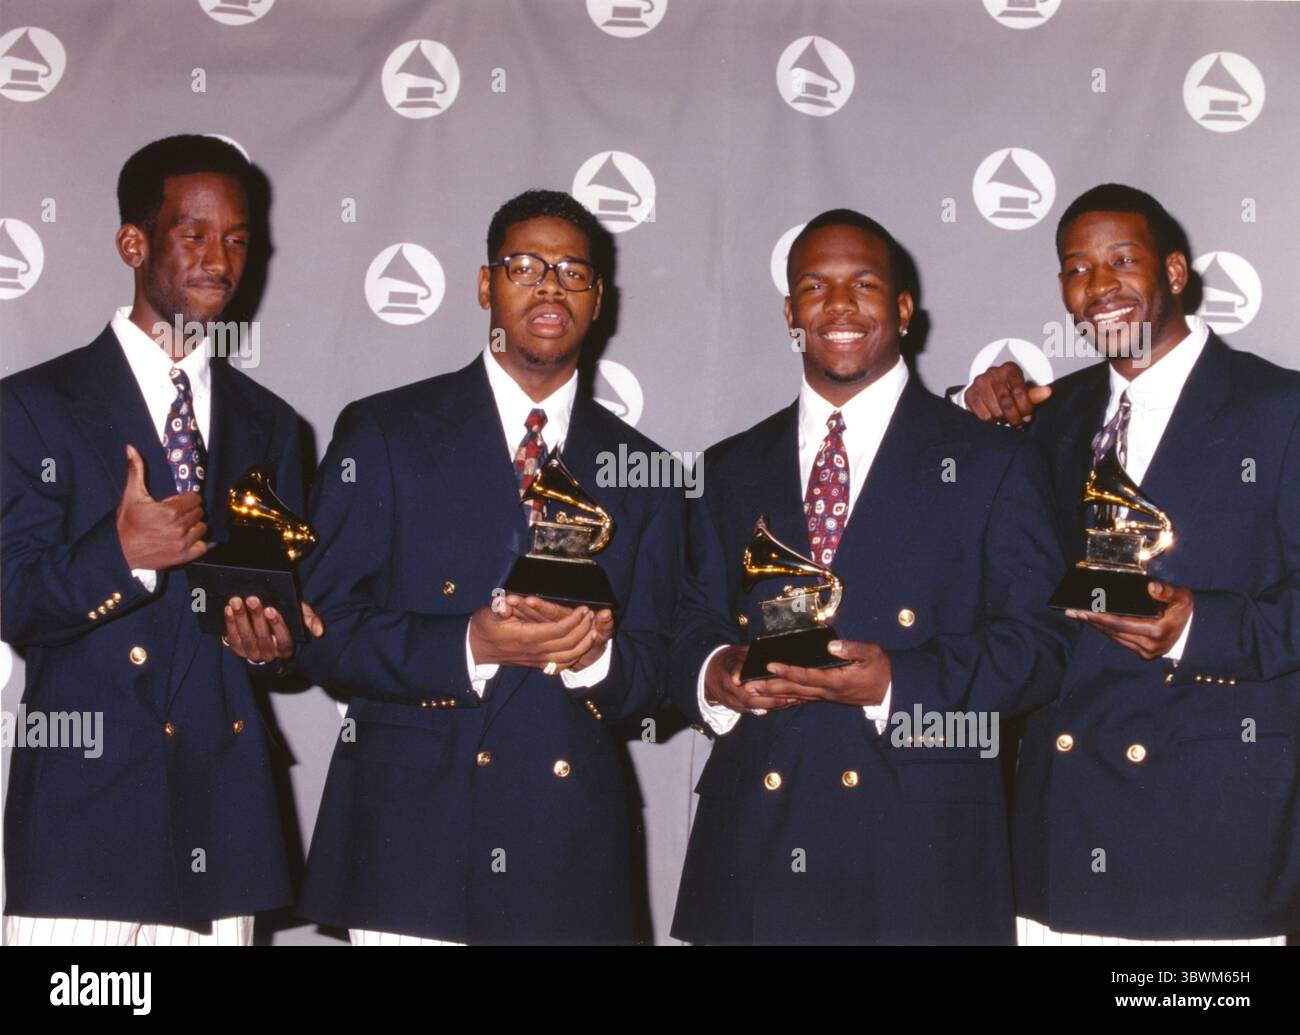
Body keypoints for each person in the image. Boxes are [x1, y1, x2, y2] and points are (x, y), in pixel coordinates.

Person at [669, 209, 1071, 944]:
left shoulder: (991, 460)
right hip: (754, 854)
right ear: (790, 313)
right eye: (815, 287)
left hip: (919, 859)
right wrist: (713, 671)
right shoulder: (728, 467)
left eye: (864, 284)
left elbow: (1040, 647)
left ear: (904, 308)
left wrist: (898, 683)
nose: (841, 305)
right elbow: (689, 620)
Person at [295, 189, 682, 945]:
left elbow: (663, 675)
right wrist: (469, 643)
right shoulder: (386, 432)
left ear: (599, 299)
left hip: (565, 848)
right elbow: (322, 631)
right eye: (525, 265)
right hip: (411, 849)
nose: (550, 286)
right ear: (484, 285)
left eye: (573, 271)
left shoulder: (648, 471)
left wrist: (596, 659)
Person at [959, 182, 1300, 944]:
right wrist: (972, 412)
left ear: (1175, 272)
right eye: (1077, 268)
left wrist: (1196, 627)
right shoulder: (1046, 419)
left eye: (1123, 260)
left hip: (1207, 835)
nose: (1099, 286)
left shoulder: (1281, 409)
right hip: (1058, 836)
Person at [2, 134, 321, 946]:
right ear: (133, 243)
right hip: (84, 819)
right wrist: (122, 555)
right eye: (196, 234)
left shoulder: (272, 425)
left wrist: (273, 641)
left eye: (240, 239)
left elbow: (277, 619)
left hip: (222, 810)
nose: (221, 259)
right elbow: (14, 599)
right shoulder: (36, 405)